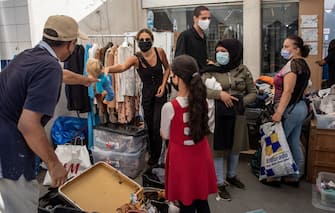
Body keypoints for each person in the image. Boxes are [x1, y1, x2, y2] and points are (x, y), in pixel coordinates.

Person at [0, 15, 87, 213]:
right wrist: (54, 163)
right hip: (9, 151)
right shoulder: (50, 67)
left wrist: (84, 80)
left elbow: (61, 74)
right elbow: (28, 124)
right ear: (70, 45)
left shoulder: (28, 56)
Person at [201, 39, 256, 201]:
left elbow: (253, 92)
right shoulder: (210, 70)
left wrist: (240, 102)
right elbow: (202, 90)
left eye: (224, 51)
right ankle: (219, 183)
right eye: (218, 51)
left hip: (237, 114)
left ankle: (232, 176)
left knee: (235, 146)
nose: (220, 54)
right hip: (217, 114)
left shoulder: (243, 70)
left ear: (233, 52)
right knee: (218, 148)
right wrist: (220, 95)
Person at [160, 55, 217, 213]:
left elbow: (165, 135)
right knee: (201, 198)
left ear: (177, 78)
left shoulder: (169, 107)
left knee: (185, 200)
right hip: (201, 153)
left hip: (181, 157)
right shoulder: (206, 102)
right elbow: (209, 128)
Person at [106, 28, 170, 166]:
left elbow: (168, 69)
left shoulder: (160, 52)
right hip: (147, 94)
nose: (145, 42)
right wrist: (106, 69)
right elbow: (122, 66)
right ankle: (152, 153)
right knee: (149, 125)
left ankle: (158, 156)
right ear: (137, 42)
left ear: (152, 40)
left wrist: (163, 85)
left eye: (147, 39)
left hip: (160, 92)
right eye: (141, 40)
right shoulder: (136, 58)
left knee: (158, 124)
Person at [272, 35, 311, 186]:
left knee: (279, 143)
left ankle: (274, 177)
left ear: (297, 49)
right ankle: (295, 176)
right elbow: (304, 89)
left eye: (287, 46)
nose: (283, 49)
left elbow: (288, 91)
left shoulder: (292, 65)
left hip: (290, 109)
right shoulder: (304, 65)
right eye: (283, 46)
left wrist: (279, 112)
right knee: (293, 141)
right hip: (301, 107)